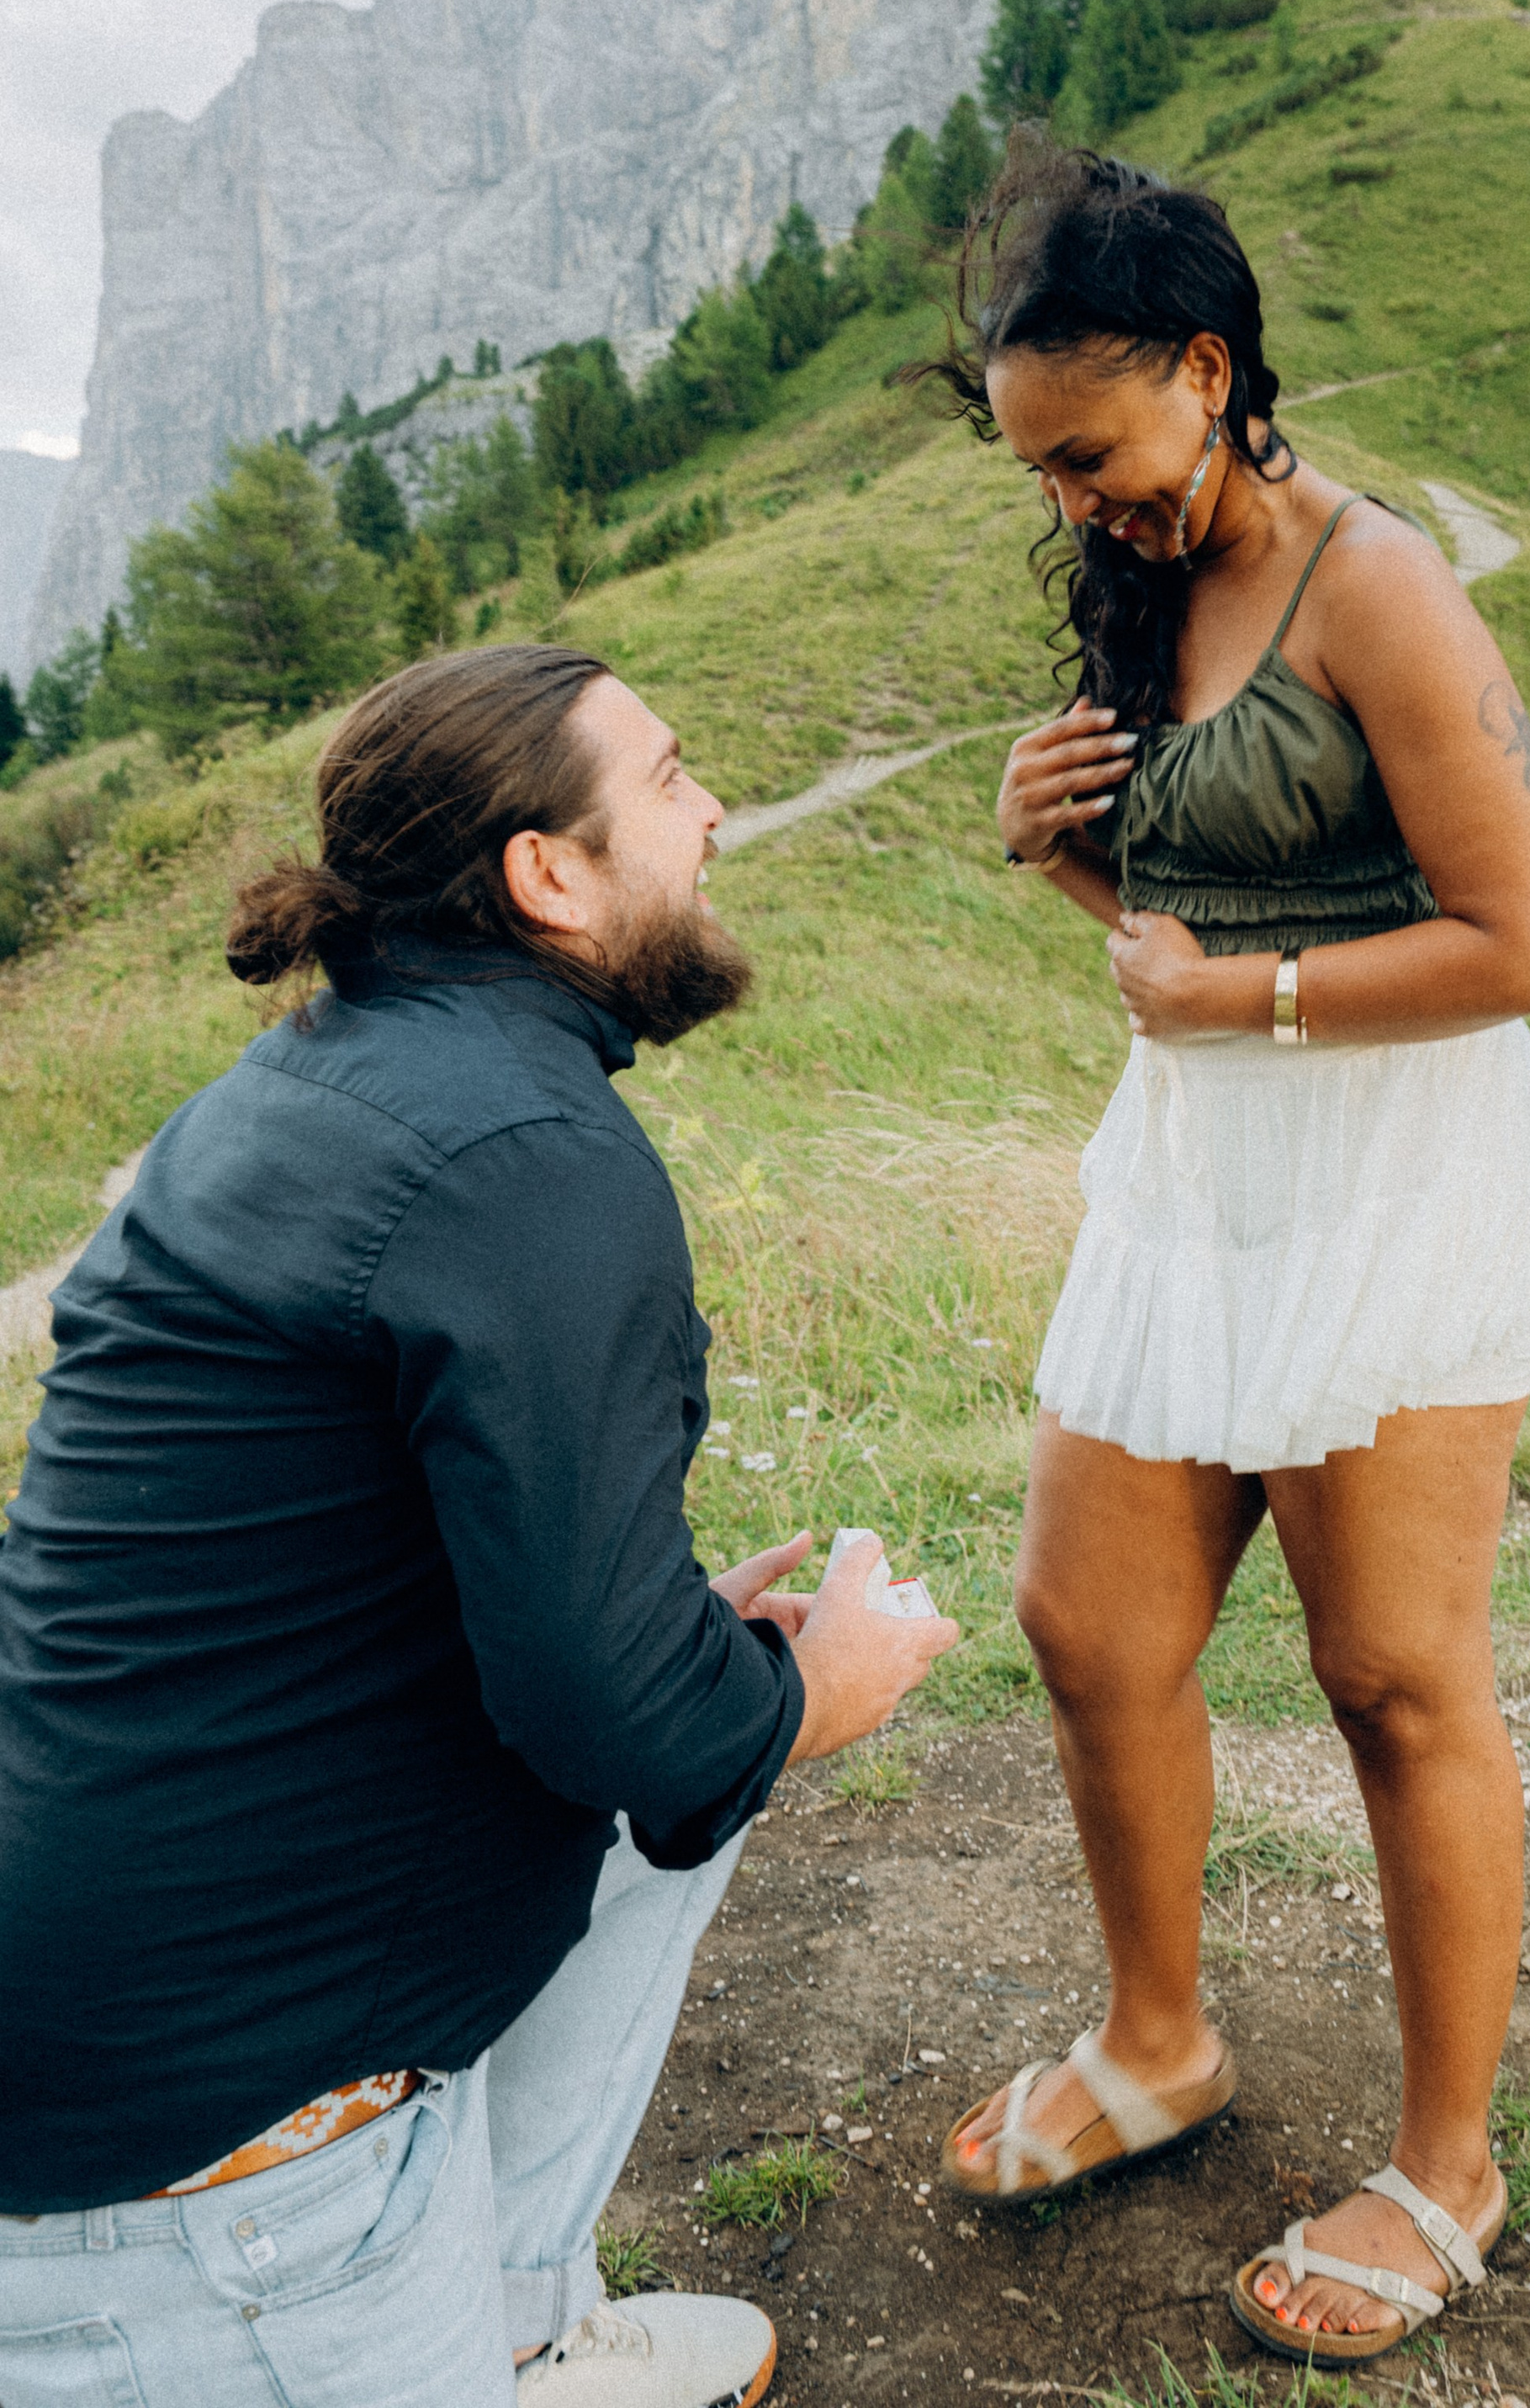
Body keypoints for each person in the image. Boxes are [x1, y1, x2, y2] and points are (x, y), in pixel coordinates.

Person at [0, 641, 957, 2408]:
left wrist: (688, 1655)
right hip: (204, 2180)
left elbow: (512, 1615)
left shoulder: (292, 1092)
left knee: (676, 1783)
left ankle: (512, 2321)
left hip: (95, 1953)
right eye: (669, 780)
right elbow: (624, 1724)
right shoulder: (525, 1156)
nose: (717, 812)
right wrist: (820, 1685)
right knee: (706, 1747)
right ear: (550, 873)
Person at [921, 135, 1530, 2371]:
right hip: (1200, 1160)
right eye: (1043, 473)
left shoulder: (1374, 585)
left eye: (1094, 456)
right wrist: (1065, 878)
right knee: (1087, 1622)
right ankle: (1160, 2038)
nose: (1075, 506)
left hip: (1401, 1164)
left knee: (1395, 1678)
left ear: (1209, 372)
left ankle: (1451, 2163)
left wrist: (1254, 1003)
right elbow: (1197, 942)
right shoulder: (1140, 575)